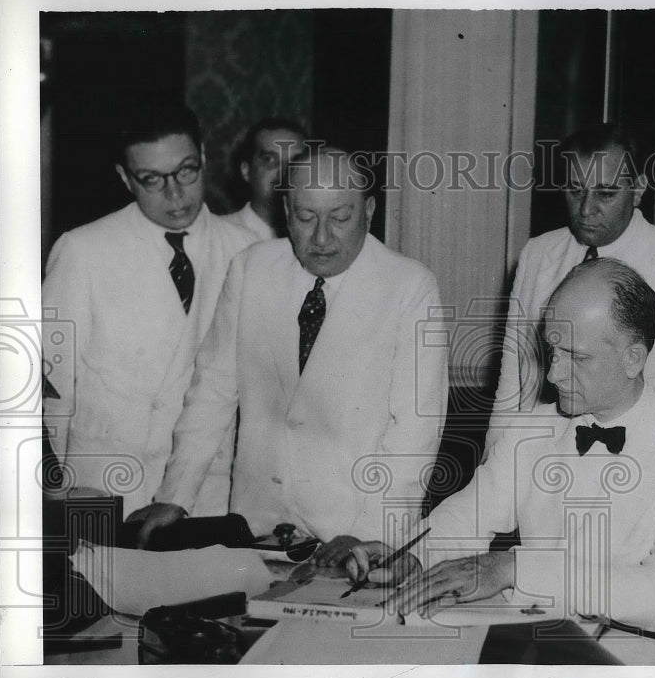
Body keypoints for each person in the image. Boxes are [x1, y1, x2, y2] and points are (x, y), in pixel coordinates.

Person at [348, 259, 655, 665]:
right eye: (551, 350)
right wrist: (413, 556)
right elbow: (467, 516)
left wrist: (515, 569)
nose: (554, 374)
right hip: (541, 647)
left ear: (634, 359)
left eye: (576, 357)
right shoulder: (533, 430)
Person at [128, 147, 449, 556]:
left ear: (369, 210)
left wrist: (372, 534)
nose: (321, 237)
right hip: (256, 526)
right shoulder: (251, 267)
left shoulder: (410, 286)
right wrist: (175, 494)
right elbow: (213, 390)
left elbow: (415, 433)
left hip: (354, 531)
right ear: (285, 209)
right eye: (305, 217)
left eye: (340, 218)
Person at [42, 101, 256, 517]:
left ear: (205, 159)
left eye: (186, 171)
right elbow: (50, 390)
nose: (174, 194)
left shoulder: (246, 251)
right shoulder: (83, 250)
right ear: (125, 178)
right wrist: (53, 497)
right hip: (105, 493)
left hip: (205, 497)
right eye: (152, 179)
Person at [493, 122, 655, 428]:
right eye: (575, 190)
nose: (586, 209)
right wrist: (494, 463)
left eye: (606, 193)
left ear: (638, 188)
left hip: (639, 463)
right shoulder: (537, 254)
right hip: (540, 454)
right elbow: (512, 380)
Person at [222, 117, 307, 240]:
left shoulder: (316, 239)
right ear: (246, 171)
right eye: (269, 159)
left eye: (295, 161)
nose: (284, 171)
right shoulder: (220, 235)